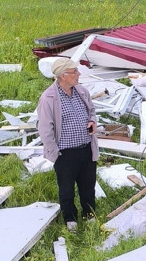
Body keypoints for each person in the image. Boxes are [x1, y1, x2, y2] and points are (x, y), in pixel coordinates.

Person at [37, 58, 99, 230]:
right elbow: (45, 128)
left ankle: (89, 215)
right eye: (75, 72)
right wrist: (55, 152)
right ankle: (70, 220)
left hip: (86, 149)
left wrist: (92, 121)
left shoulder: (81, 91)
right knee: (67, 190)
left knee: (88, 186)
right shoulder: (49, 98)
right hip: (65, 153)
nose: (78, 74)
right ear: (63, 75)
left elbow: (92, 111)